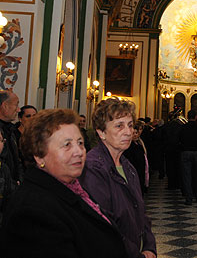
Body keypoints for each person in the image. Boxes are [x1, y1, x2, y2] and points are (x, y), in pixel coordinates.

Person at [0, 109, 127, 258]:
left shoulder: (73, 188)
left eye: (80, 143)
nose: (78, 151)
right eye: (67, 145)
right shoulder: (33, 211)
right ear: (39, 156)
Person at [80, 98, 157, 258]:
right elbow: (105, 227)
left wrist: (150, 247)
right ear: (101, 132)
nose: (128, 132)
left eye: (130, 125)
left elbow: (141, 211)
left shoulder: (127, 166)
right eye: (119, 125)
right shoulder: (93, 168)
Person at [179, 110, 197, 205]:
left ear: (187, 116)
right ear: (196, 117)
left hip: (185, 152)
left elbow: (178, 139)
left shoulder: (183, 128)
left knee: (187, 176)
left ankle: (189, 198)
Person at [0, 90, 22, 188]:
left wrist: (20, 180)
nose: (18, 110)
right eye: (16, 105)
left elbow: (17, 160)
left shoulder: (11, 130)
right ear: (5, 105)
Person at [123, 120, 149, 196]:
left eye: (136, 133)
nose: (135, 135)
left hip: (140, 170)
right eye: (133, 133)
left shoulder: (139, 144)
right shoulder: (128, 146)